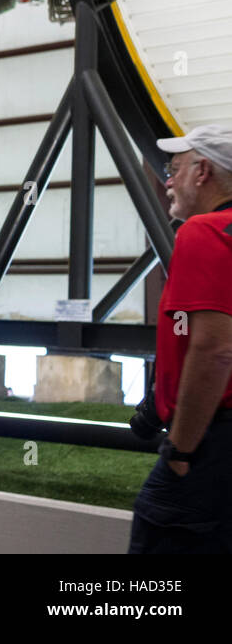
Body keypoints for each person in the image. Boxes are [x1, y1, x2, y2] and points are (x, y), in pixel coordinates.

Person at [129, 124, 232, 554]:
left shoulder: (204, 233)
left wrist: (181, 449)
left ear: (202, 172)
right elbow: (189, 330)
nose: (168, 181)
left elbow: (216, 349)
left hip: (212, 446)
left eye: (175, 169)